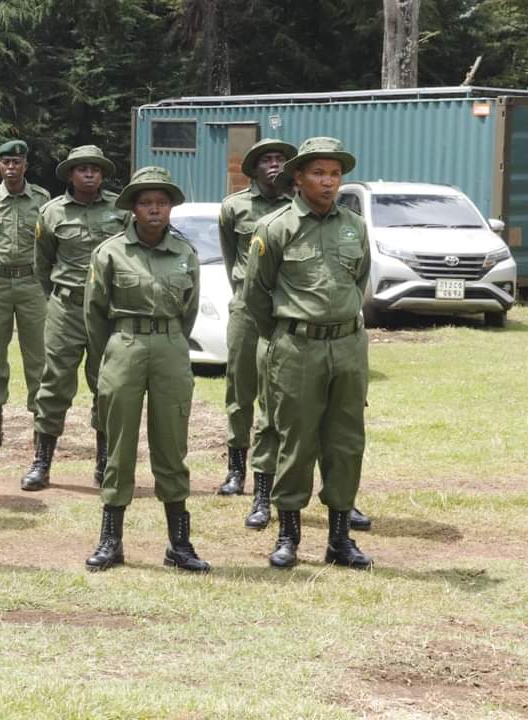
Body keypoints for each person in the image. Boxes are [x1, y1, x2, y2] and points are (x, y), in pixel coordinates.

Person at [242, 136, 374, 570]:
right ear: (297, 178)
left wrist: (342, 325)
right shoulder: (275, 228)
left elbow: (360, 281)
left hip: (348, 347)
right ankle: (288, 535)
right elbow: (257, 296)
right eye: (318, 173)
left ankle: (339, 539)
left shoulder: (354, 225)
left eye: (335, 174)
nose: (328, 182)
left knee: (346, 441)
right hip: (296, 348)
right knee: (294, 442)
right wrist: (288, 334)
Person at [83, 166, 208, 573]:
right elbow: (95, 313)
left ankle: (179, 543)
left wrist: (169, 339)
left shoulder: (185, 253)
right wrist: (112, 356)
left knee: (172, 443)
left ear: (170, 208)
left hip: (171, 346)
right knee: (118, 446)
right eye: (146, 202)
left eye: (162, 202)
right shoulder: (110, 252)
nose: (155, 209)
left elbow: (188, 310)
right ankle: (110, 541)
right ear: (133, 208)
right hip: (124, 345)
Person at [23, 145, 128, 491]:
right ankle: (42, 462)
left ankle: (104, 463)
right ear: (70, 174)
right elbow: (42, 264)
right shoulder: (51, 213)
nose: (88, 174)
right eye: (81, 168)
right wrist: (60, 296)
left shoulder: (120, 211)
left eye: (95, 169)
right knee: (54, 382)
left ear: (102, 174)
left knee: (107, 384)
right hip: (66, 308)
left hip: (107, 311)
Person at [217, 139, 296, 525]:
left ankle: (275, 471)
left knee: (276, 394)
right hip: (247, 309)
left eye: (281, 159)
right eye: (267, 159)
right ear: (253, 168)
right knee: (240, 388)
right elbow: (232, 258)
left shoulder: (296, 206)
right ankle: (236, 468)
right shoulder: (234, 208)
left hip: (285, 310)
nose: (275, 165)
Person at [0, 140, 50, 447]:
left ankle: (40, 427)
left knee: (37, 357)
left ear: (26, 166)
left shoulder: (42, 200)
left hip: (32, 285)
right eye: (6, 162)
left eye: (17, 162)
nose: (12, 167)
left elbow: (49, 242)